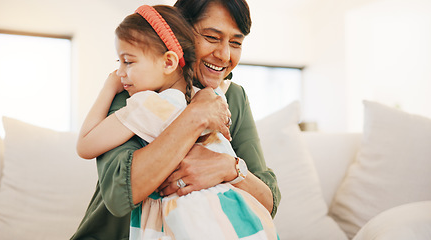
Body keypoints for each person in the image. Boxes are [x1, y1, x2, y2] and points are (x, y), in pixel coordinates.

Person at [71, 0, 281, 239]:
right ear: (180, 32)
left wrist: (228, 168)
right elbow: (119, 196)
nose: (224, 55)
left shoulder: (232, 96)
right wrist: (195, 116)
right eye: (212, 37)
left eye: (236, 42)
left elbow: (266, 203)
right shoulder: (135, 89)